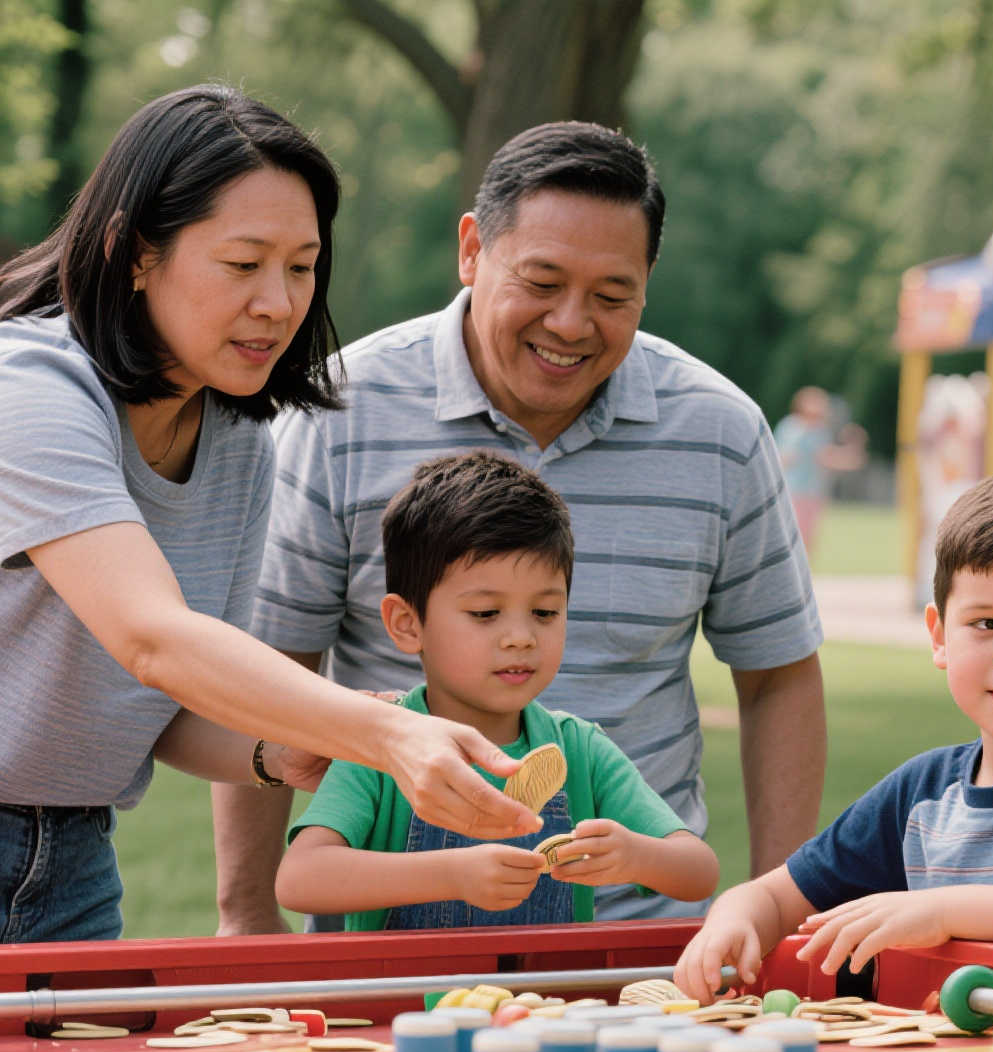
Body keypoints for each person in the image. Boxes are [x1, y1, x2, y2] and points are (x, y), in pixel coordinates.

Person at [0, 85, 535, 951]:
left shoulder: (238, 437)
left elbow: (166, 699)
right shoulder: (21, 390)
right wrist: (389, 730)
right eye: (244, 263)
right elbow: (154, 638)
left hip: (69, 863)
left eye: (301, 266)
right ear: (135, 253)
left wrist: (282, 749)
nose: (280, 303)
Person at [222, 121, 824, 931]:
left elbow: (779, 672)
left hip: (634, 946)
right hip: (393, 953)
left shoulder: (720, 430)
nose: (572, 324)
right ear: (472, 250)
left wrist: (781, 912)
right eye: (541, 282)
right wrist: (246, 912)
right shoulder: (338, 412)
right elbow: (270, 669)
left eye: (613, 297)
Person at [675, 468, 993, 1000]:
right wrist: (730, 922)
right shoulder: (919, 794)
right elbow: (774, 899)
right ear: (940, 636)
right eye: (986, 624)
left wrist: (939, 911)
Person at [276, 453, 717, 927]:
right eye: (486, 613)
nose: (521, 637)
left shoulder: (580, 749)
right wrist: (450, 875)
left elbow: (698, 871)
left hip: (551, 1002)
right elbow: (301, 878)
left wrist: (636, 856)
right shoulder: (380, 750)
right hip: (405, 1002)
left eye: (544, 613)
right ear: (407, 624)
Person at [773, 385, 865, 559]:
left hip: (813, 492)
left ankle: (803, 577)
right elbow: (784, 457)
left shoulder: (819, 431)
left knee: (808, 538)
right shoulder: (792, 427)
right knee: (793, 537)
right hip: (793, 491)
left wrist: (850, 455)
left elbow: (825, 457)